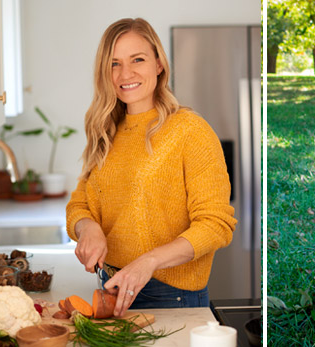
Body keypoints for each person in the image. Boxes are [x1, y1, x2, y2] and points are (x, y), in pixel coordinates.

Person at [66, 18, 236, 316]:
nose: (125, 73)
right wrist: (87, 227)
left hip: (172, 297)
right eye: (114, 63)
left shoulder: (190, 130)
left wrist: (149, 262)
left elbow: (216, 225)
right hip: (111, 288)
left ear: (158, 64)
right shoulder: (107, 131)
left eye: (138, 59)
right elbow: (80, 203)